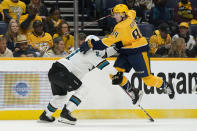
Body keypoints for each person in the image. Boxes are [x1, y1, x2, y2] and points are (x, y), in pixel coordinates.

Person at [80, 4, 175, 99]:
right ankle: (133, 92)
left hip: (139, 52)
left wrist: (90, 44)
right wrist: (115, 11)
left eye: (117, 14)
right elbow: (132, 12)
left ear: (123, 14)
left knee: (148, 80)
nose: (114, 16)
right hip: (126, 51)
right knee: (114, 74)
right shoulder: (129, 16)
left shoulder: (121, 27)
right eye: (114, 14)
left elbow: (105, 43)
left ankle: (166, 85)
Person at [39, 35, 127, 125]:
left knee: (60, 96)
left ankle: (45, 115)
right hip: (63, 71)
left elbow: (104, 53)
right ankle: (65, 114)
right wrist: (118, 73)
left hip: (55, 71)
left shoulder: (87, 50)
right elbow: (104, 65)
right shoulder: (90, 53)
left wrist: (116, 47)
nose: (99, 46)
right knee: (83, 90)